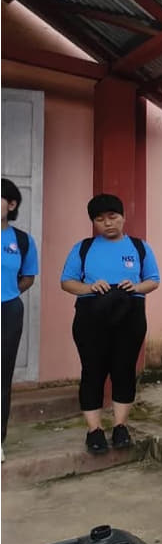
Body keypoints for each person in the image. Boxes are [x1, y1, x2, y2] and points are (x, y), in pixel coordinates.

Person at [60, 194, 160, 454]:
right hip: (91, 316)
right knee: (92, 371)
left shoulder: (139, 247)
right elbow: (67, 281)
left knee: (124, 370)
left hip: (130, 316)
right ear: (94, 222)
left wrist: (135, 287)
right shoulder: (83, 248)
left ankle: (120, 426)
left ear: (123, 217)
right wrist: (90, 287)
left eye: (112, 217)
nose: (107, 223)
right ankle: (94, 430)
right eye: (100, 219)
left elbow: (153, 279)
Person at [1, 178, 39, 461]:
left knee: (2, 376)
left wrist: (9, 292)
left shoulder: (22, 241)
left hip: (8, 311)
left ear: (11, 204)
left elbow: (28, 277)